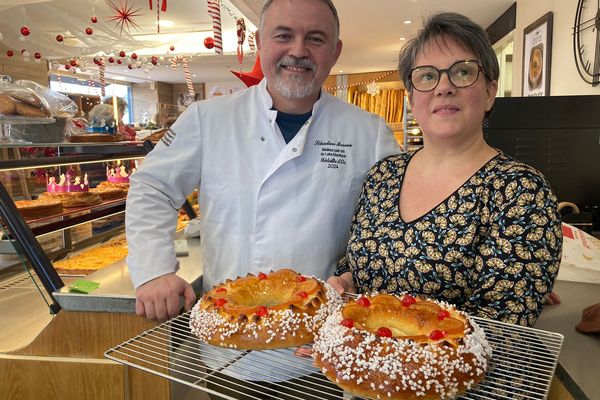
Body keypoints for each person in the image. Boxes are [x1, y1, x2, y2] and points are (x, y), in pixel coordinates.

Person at [126, 0, 400, 322]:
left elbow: (393, 225)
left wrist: (357, 274)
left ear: (335, 51)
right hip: (231, 332)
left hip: (326, 337)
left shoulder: (368, 132)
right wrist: (154, 268)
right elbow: (152, 186)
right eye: (283, 36)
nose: (298, 51)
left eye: (315, 38)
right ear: (259, 43)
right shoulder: (208, 118)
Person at [327, 12, 562, 327]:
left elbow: (499, 327)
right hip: (361, 366)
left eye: (462, 72)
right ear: (412, 95)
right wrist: (344, 282)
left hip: (458, 375)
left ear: (490, 91)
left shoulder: (521, 191)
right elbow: (355, 264)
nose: (444, 87)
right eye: (427, 76)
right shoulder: (384, 175)